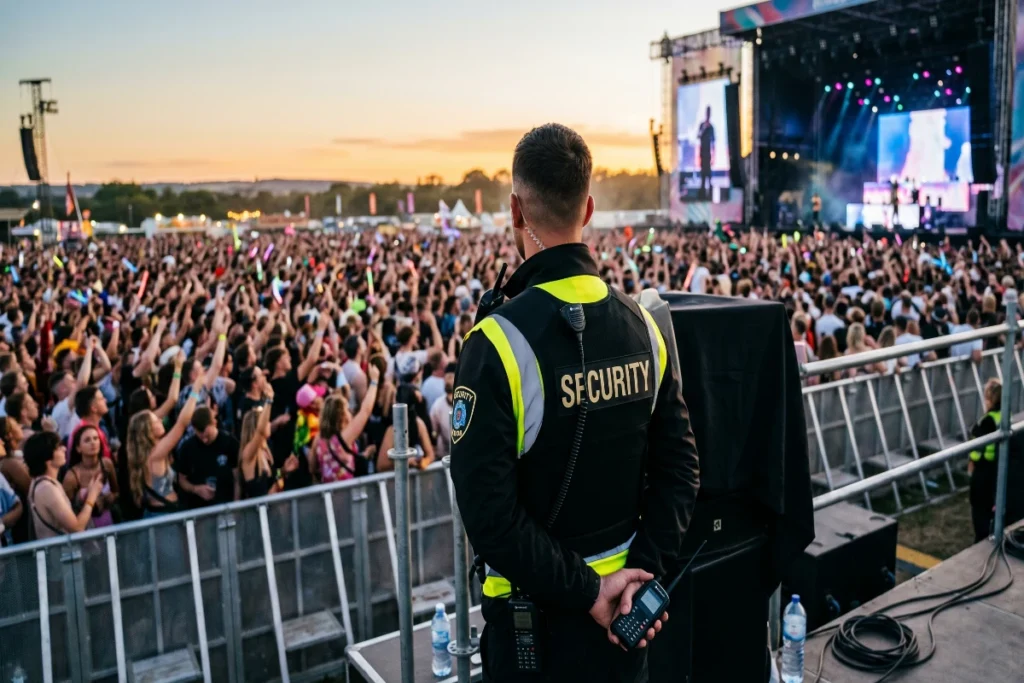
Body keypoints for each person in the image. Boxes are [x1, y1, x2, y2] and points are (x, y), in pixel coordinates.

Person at [449, 124, 699, 682]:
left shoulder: (496, 343)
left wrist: (591, 592)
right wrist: (639, 579)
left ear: (516, 210)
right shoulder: (645, 327)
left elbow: (489, 519)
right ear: (588, 208)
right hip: (626, 624)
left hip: (533, 630)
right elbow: (681, 472)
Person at [126, 391, 199, 518]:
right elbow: (182, 423)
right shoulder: (156, 454)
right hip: (164, 515)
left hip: (156, 512)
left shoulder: (146, 453)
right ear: (148, 430)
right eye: (156, 420)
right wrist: (196, 390)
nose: (160, 419)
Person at [25, 431, 103, 539]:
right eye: (58, 447)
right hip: (59, 553)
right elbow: (77, 528)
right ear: (48, 459)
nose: (64, 449)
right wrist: (92, 496)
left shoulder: (40, 483)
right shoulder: (47, 488)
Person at [313, 364, 380, 483]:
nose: (350, 413)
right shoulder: (343, 438)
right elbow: (365, 411)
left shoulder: (318, 439)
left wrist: (364, 455)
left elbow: (313, 468)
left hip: (328, 495)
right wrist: (374, 381)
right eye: (347, 410)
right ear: (341, 416)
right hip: (346, 495)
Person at [176, 406, 240, 507]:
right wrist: (196, 489)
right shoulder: (187, 448)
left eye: (208, 436)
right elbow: (182, 479)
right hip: (200, 509)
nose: (205, 440)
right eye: (200, 436)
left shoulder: (230, 443)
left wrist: (236, 505)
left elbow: (238, 478)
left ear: (214, 423)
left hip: (226, 505)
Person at [239, 400, 300, 499]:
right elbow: (260, 431)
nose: (269, 423)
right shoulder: (248, 453)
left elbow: (273, 481)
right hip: (258, 511)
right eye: (265, 421)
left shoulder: (266, 450)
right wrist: (269, 400)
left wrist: (284, 471)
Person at [62, 425, 119, 527]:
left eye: (95, 438)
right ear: (78, 448)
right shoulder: (72, 477)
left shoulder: (107, 464)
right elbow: (67, 510)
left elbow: (116, 491)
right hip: (86, 526)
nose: (93, 442)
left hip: (108, 521)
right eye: (87, 440)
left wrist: (109, 498)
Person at [968, 379, 1002, 542]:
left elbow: (976, 453)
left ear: (989, 398)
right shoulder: (1004, 415)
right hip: (998, 470)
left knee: (980, 515)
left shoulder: (986, 421)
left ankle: (980, 544)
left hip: (983, 473)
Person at [698, 106, 715, 199]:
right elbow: (698, 136)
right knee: (703, 176)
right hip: (702, 154)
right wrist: (704, 128)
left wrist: (714, 156)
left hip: (708, 155)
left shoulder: (711, 127)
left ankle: (710, 196)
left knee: (709, 175)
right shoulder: (702, 125)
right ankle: (702, 195)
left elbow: (713, 142)